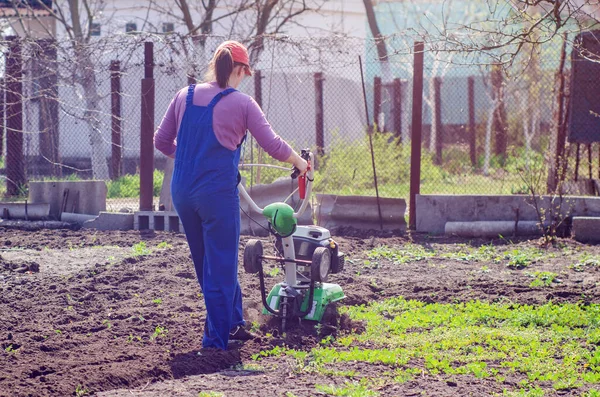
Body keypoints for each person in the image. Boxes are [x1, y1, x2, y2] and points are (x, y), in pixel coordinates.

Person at [154, 40, 308, 351]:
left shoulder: (184, 95)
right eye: (243, 73)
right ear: (238, 70)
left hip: (182, 192)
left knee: (208, 264)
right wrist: (300, 163)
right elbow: (273, 145)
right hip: (215, 195)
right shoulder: (242, 103)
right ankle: (214, 343)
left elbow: (161, 141)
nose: (242, 78)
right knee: (221, 268)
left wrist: (190, 158)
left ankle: (234, 323)